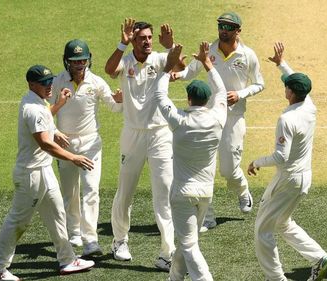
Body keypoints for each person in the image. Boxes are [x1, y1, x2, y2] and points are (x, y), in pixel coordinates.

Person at [0, 65, 95, 281]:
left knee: (57, 214)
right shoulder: (32, 109)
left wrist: (58, 106)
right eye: (44, 83)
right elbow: (45, 142)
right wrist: (73, 157)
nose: (49, 86)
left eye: (50, 81)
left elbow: (45, 119)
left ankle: (67, 259)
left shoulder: (38, 102)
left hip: (44, 170)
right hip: (30, 174)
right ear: (31, 84)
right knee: (18, 221)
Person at [248, 42, 327, 281]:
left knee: (262, 230)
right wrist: (281, 64)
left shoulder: (286, 118)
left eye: (287, 87)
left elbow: (280, 156)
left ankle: (275, 278)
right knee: (283, 223)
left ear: (290, 92)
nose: (284, 88)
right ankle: (319, 258)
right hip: (304, 176)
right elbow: (295, 81)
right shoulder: (310, 106)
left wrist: (256, 161)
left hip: (287, 179)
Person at [173, 12, 265, 232]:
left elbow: (260, 84)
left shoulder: (248, 55)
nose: (223, 30)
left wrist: (240, 94)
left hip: (234, 117)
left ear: (237, 31)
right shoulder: (208, 51)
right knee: (206, 168)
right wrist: (176, 70)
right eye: (221, 26)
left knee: (229, 170)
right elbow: (188, 73)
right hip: (209, 117)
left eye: (228, 27)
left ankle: (242, 191)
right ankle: (207, 217)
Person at [104, 18, 182, 271]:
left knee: (165, 193)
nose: (147, 42)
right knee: (125, 190)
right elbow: (108, 69)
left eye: (150, 38)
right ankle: (119, 240)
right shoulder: (126, 61)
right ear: (133, 41)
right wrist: (121, 43)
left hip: (160, 134)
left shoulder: (160, 59)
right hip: (133, 135)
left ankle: (167, 253)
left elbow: (178, 67)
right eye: (142, 38)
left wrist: (170, 47)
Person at [154, 43, 226, 281]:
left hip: (182, 194)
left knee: (188, 245)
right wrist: (208, 65)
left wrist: (166, 68)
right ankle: (174, 278)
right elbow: (222, 93)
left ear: (188, 98)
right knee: (188, 242)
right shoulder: (218, 118)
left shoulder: (179, 120)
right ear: (207, 100)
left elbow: (159, 95)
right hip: (206, 193)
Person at [48, 39, 123, 256]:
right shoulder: (57, 82)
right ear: (67, 62)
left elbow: (114, 107)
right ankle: (73, 234)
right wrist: (54, 132)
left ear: (88, 60)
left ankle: (90, 239)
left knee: (91, 190)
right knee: (69, 192)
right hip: (65, 145)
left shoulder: (97, 82)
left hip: (91, 144)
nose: (79, 64)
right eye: (75, 61)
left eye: (82, 60)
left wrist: (120, 100)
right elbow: (46, 112)